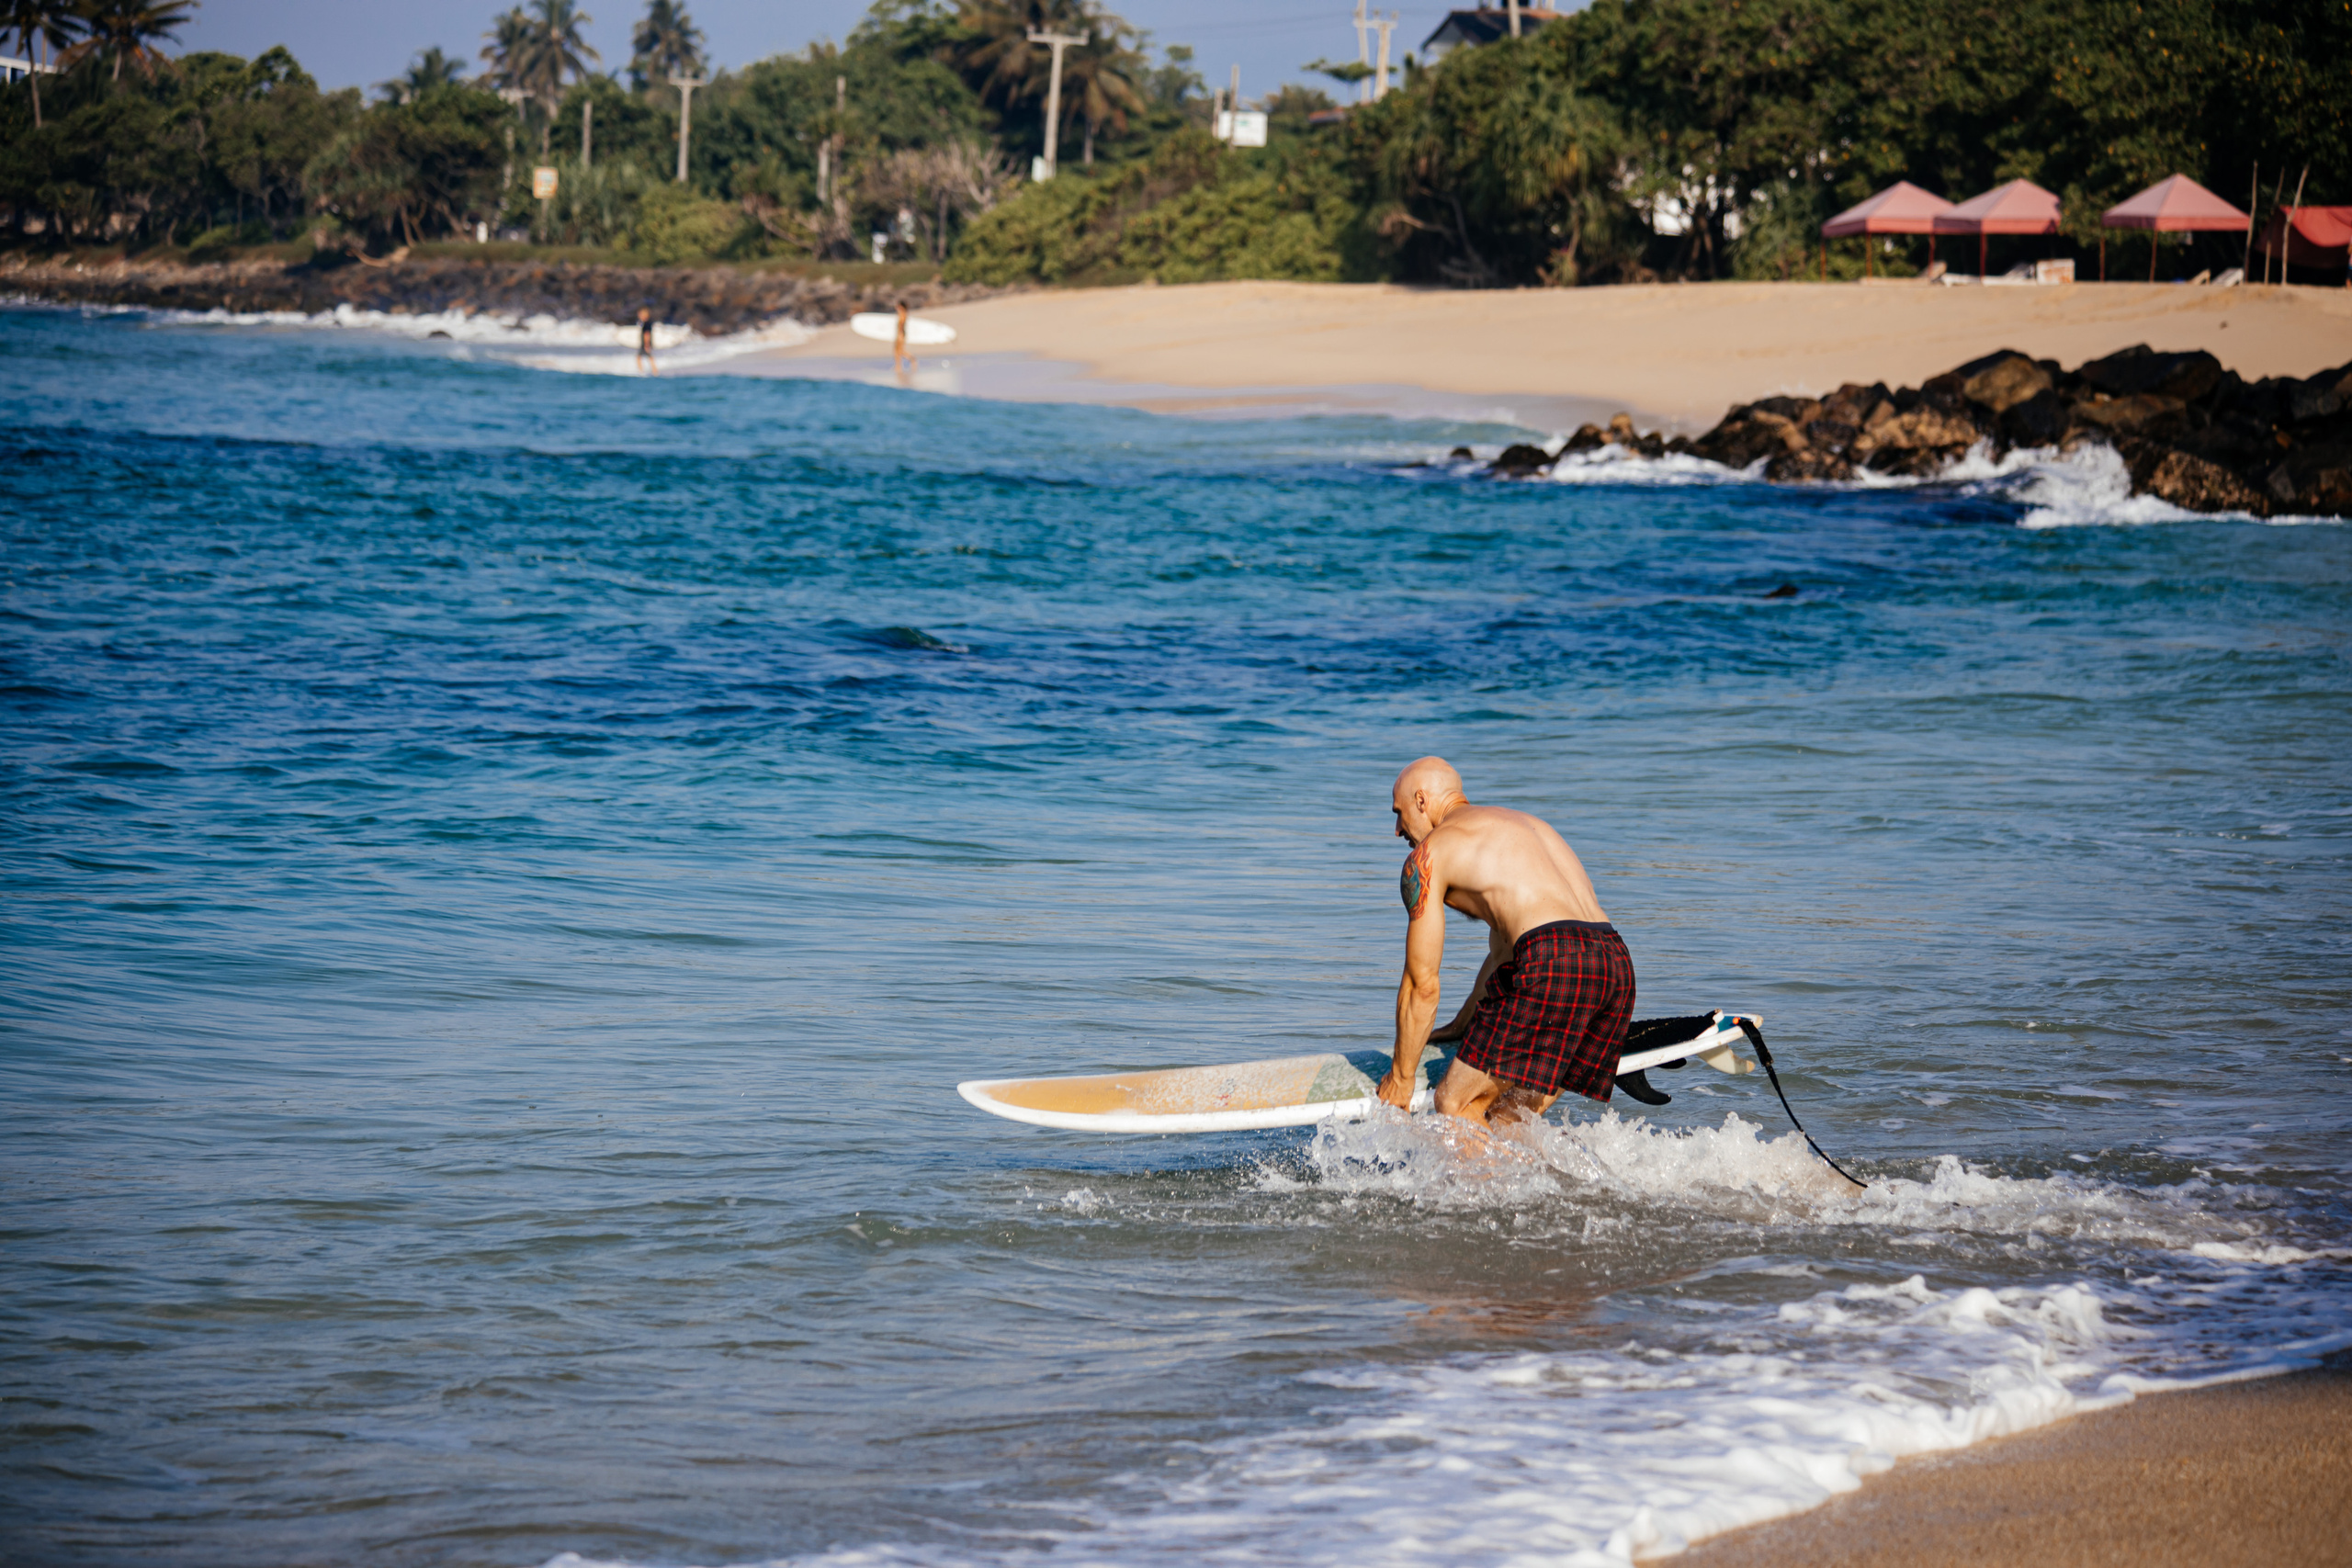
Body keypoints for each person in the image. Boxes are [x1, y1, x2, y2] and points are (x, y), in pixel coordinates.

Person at [1376, 756, 1635, 1126]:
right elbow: (1505, 954)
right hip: (1614, 965)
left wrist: (1401, 1079)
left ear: (1421, 801)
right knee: (1506, 1117)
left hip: (1552, 960)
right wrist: (1461, 1025)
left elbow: (1422, 985)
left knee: (1454, 1105)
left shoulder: (1430, 855)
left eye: (1399, 813)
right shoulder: (1524, 826)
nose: (1397, 830)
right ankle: (1567, 1185)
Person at [893, 301, 916, 377]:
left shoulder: (902, 314)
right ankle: (898, 366)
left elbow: (901, 325)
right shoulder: (902, 314)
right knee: (896, 351)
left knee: (899, 351)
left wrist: (900, 334)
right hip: (900, 334)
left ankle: (911, 359)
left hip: (901, 334)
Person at [636, 308, 657, 376]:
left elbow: (647, 334)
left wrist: (646, 344)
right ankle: (654, 371)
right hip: (646, 343)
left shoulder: (646, 324)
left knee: (641, 357)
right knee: (649, 357)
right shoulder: (646, 323)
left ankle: (642, 372)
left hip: (645, 344)